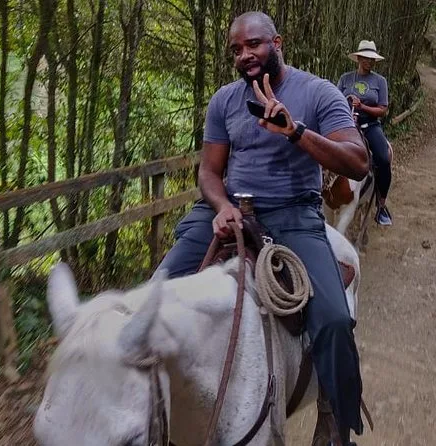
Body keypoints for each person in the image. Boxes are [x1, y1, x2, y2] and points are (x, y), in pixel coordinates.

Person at [155, 11, 368, 445]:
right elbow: (209, 172)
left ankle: (337, 417)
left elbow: (358, 160)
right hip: (230, 209)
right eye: (236, 49)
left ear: (277, 43)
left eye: (253, 44)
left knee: (332, 319)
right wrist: (220, 206)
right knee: (153, 297)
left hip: (293, 213)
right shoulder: (224, 101)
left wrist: (296, 131)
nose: (245, 55)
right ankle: (151, 418)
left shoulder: (318, 92)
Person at [337, 40, 393, 226]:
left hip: (370, 125)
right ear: (359, 58)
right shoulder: (345, 78)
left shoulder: (380, 81)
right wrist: (347, 104)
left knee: (383, 158)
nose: (369, 62)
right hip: (346, 124)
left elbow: (382, 109)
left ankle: (381, 205)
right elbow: (335, 101)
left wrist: (363, 107)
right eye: (366, 58)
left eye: (372, 59)